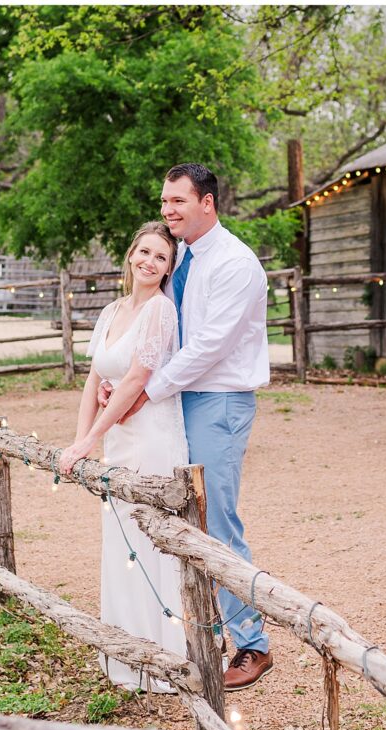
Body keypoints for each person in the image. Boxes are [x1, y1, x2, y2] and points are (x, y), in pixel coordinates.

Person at [100, 163, 273, 691]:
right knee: (181, 515)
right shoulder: (181, 262)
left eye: (177, 201)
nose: (167, 210)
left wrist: (143, 393)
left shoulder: (236, 265)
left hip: (217, 401)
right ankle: (200, 629)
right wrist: (123, 383)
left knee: (216, 521)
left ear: (207, 203)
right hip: (177, 400)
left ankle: (253, 643)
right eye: (164, 201)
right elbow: (158, 338)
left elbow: (205, 349)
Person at [60, 221, 186, 693]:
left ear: (168, 269)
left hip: (150, 436)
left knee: (152, 537)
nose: (150, 263)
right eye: (145, 252)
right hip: (116, 436)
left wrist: (92, 438)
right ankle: (125, 654)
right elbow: (94, 381)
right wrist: (80, 441)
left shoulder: (161, 311)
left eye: (161, 258)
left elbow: (134, 381)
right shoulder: (111, 311)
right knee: (121, 536)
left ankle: (166, 658)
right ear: (131, 253)